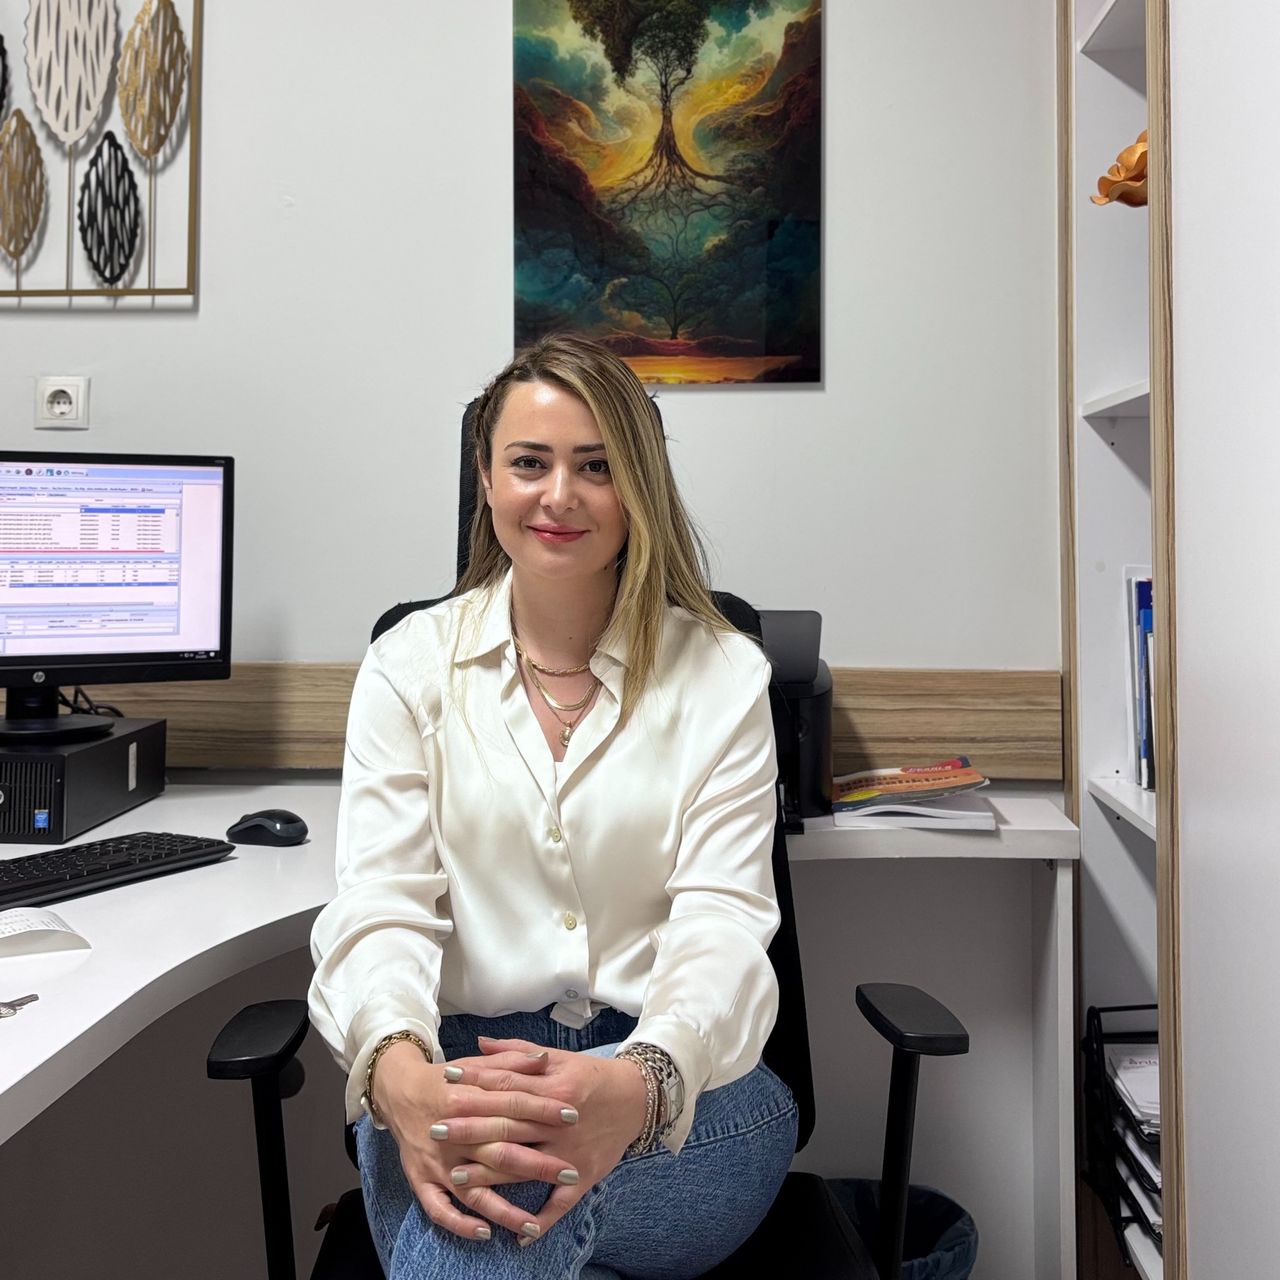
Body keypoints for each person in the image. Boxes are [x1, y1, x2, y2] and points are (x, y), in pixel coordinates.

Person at [308, 333, 798, 1279]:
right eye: (529, 463)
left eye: (597, 467)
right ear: (486, 480)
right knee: (508, 1187)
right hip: (449, 1073)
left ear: (640, 485)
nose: (559, 495)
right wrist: (399, 1073)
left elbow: (722, 926)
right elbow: (380, 906)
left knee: (508, 1196)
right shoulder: (408, 667)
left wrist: (637, 1083)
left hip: (683, 1088)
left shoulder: (722, 674)